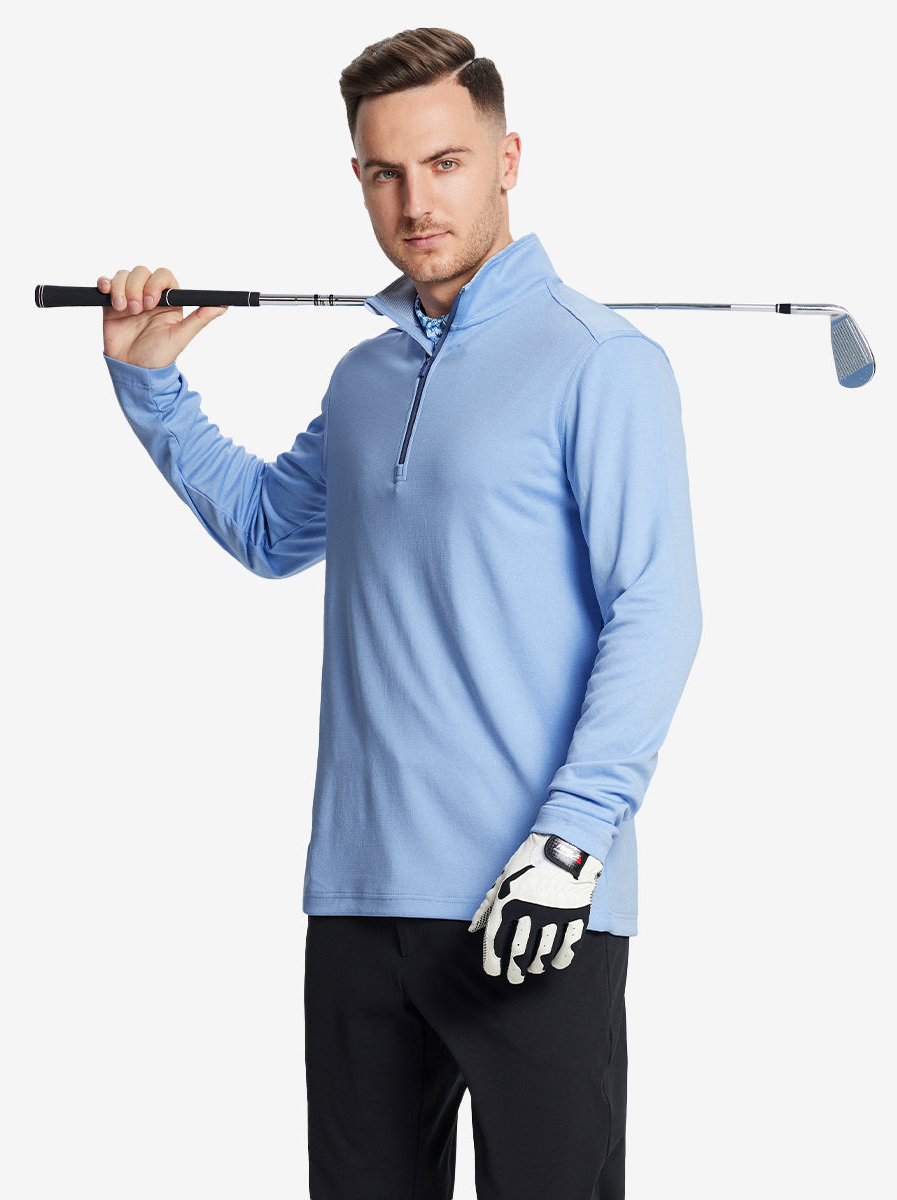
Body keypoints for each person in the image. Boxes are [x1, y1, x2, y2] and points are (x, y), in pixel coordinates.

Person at [99, 27, 702, 1200]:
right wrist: (150, 385)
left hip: (535, 898)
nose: (416, 203)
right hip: (361, 900)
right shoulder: (364, 377)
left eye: (445, 163)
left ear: (507, 159)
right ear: (359, 178)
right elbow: (271, 529)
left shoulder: (603, 362)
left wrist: (574, 840)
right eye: (386, 172)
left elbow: (657, 610)